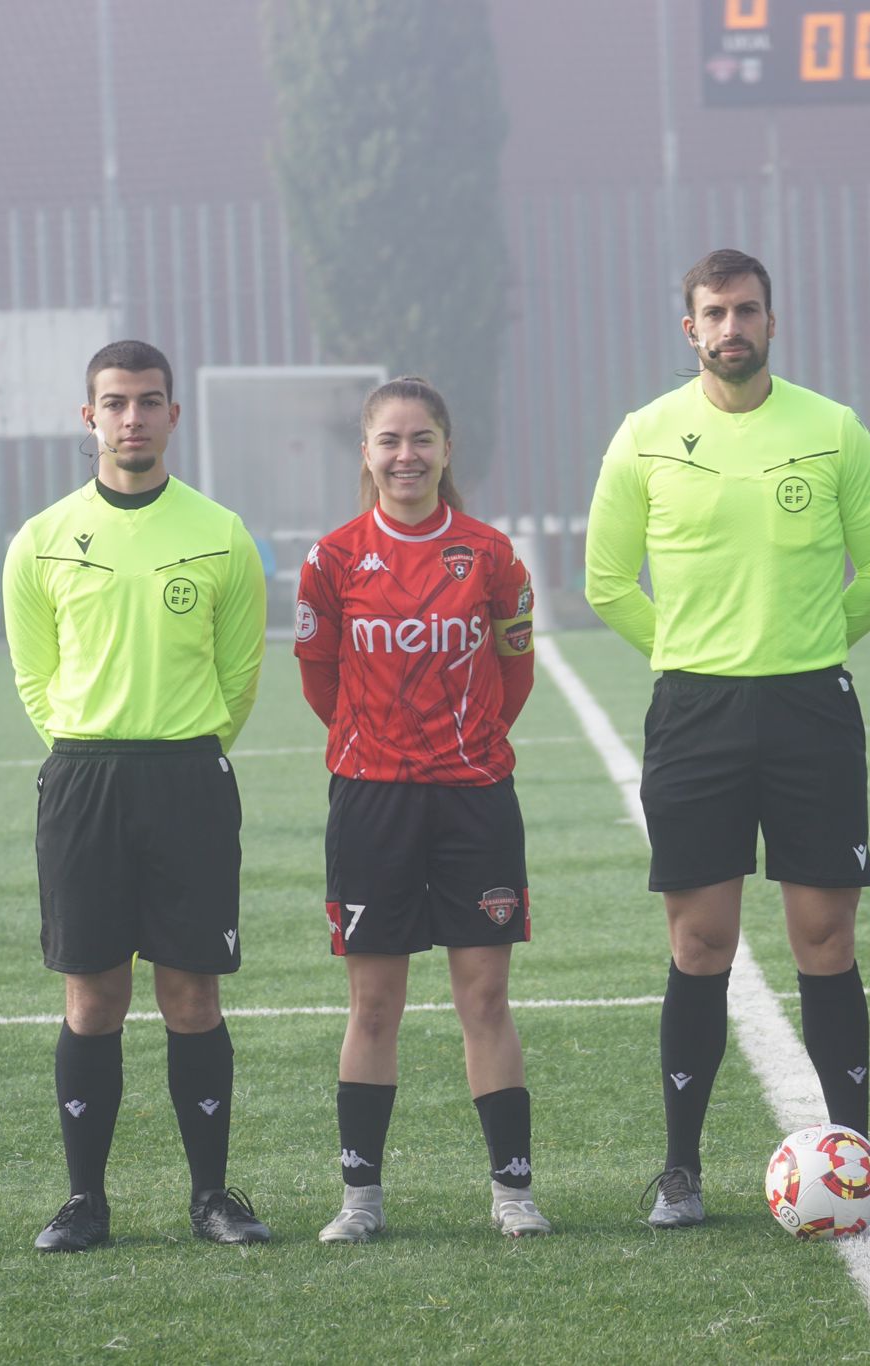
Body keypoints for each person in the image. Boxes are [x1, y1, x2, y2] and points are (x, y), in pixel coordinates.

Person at [584, 247, 870, 1228]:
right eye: (715, 312)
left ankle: (852, 1156)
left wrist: (808, 644)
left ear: (772, 321)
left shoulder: (830, 430)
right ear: (689, 329)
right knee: (699, 939)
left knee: (824, 936)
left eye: (747, 310)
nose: (732, 326)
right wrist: (688, 652)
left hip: (810, 709)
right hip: (695, 714)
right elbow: (606, 581)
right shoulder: (645, 435)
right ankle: (679, 1170)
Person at [1, 340, 270, 1251]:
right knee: (94, 997)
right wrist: (90, 745)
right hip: (83, 778)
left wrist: (182, 750)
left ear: (173, 415)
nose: (133, 418)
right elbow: (36, 678)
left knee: (192, 995)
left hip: (189, 777)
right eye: (115, 403)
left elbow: (240, 679)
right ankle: (86, 1201)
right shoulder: (41, 539)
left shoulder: (221, 533)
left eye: (150, 402)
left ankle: (212, 1197)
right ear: (90, 418)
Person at [294, 376, 550, 1243]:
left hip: (474, 798)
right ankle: (359, 1200)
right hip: (372, 801)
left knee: (484, 998)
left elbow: (514, 672)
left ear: (446, 448)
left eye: (422, 439)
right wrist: (382, 747)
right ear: (366, 453)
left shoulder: (489, 555)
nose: (406, 456)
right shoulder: (331, 560)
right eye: (389, 441)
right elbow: (321, 680)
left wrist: (462, 745)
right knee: (374, 1005)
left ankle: (512, 1193)